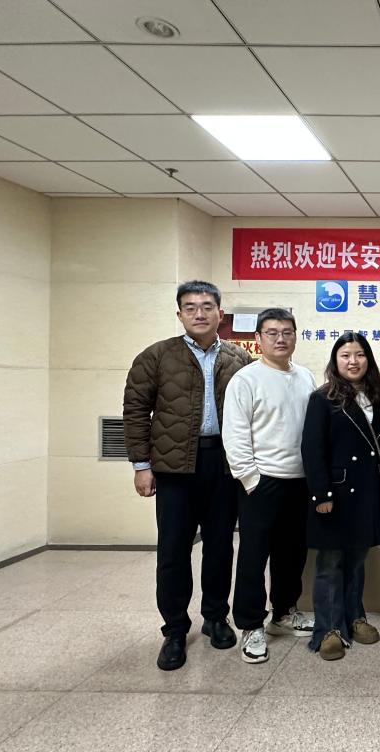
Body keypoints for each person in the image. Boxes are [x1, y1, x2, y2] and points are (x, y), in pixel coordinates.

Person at [123, 280, 251, 671]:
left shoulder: (239, 358)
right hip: (174, 468)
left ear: (220, 314)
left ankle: (215, 617)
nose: (199, 313)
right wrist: (141, 465)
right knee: (173, 550)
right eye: (191, 307)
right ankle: (175, 630)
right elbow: (135, 411)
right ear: (179, 314)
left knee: (220, 546)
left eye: (207, 306)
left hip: (224, 466)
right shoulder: (156, 356)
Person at [222, 308, 316, 665]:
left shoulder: (305, 376)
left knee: (292, 553)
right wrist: (250, 479)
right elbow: (235, 434)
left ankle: (283, 613)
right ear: (258, 338)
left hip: (300, 481)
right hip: (261, 483)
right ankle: (250, 624)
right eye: (272, 332)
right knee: (253, 555)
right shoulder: (246, 379)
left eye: (287, 332)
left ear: (295, 336)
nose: (281, 338)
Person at [301, 333, 380, 661]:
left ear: (368, 359)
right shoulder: (323, 398)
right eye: (345, 355)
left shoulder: (378, 395)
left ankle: (355, 617)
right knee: (330, 563)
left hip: (365, 491)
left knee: (357, 560)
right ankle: (328, 629)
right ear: (335, 361)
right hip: (336, 492)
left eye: (359, 354)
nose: (353, 361)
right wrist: (321, 494)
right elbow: (312, 450)